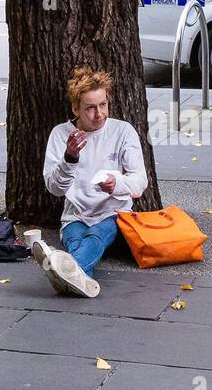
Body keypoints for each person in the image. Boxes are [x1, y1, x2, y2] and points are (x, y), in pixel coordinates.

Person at [33, 67, 148, 298]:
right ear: (76, 108)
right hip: (75, 216)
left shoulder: (122, 131)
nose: (99, 114)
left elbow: (139, 182)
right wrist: (70, 158)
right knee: (77, 241)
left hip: (113, 213)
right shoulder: (60, 134)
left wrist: (116, 184)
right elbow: (54, 189)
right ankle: (78, 280)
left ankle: (58, 268)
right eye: (91, 108)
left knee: (95, 236)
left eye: (103, 105)